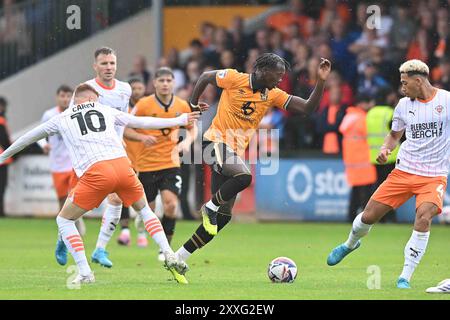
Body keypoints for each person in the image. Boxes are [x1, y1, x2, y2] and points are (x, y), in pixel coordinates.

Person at [0, 84, 200, 285]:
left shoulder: (61, 118)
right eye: (96, 99)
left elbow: (26, 138)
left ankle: (85, 272)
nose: (97, 103)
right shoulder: (105, 110)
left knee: (64, 221)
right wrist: (180, 119)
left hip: (96, 171)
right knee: (145, 210)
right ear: (87, 99)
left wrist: (3, 157)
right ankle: (168, 253)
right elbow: (140, 121)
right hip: (123, 167)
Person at [174, 53, 331, 280]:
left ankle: (179, 257)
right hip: (214, 142)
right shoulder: (235, 79)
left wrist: (321, 81)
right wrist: (192, 104)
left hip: (232, 152)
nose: (280, 80)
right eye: (277, 75)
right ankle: (209, 206)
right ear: (261, 70)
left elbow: (307, 108)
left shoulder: (272, 94)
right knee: (244, 177)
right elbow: (205, 77)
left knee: (225, 217)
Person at [327, 59, 450, 289]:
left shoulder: (446, 101)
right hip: (404, 172)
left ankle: (405, 276)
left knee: (423, 218)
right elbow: (394, 135)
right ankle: (350, 244)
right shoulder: (404, 105)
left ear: (418, 80)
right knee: (368, 217)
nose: (401, 88)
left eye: (405, 83)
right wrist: (385, 149)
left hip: (434, 176)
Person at [120, 67, 198, 258]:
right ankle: (141, 224)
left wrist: (187, 142)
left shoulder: (181, 105)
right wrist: (140, 138)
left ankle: (166, 249)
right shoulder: (144, 105)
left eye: (168, 81)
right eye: (161, 81)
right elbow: (124, 128)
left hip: (171, 163)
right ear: (154, 83)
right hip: (146, 165)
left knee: (171, 205)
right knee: (150, 211)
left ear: (173, 83)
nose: (165, 84)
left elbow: (192, 128)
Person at [38, 85, 87, 265]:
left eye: (68, 96)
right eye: (62, 96)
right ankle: (67, 224)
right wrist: (43, 145)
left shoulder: (76, 112)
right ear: (57, 97)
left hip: (75, 164)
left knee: (74, 196)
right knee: (61, 199)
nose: (65, 99)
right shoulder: (49, 114)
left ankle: (76, 222)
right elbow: (41, 133)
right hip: (57, 164)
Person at [116, 78, 146, 247]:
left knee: (144, 196)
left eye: (139, 87)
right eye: (133, 88)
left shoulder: (148, 107)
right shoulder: (122, 109)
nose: (136, 91)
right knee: (122, 196)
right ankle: (125, 231)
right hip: (125, 157)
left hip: (145, 158)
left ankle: (141, 231)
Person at [339, 93, 377, 221]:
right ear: (362, 104)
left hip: (351, 161)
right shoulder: (362, 118)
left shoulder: (348, 117)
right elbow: (371, 136)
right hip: (364, 160)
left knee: (355, 192)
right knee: (365, 194)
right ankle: (366, 219)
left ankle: (351, 217)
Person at [366, 88, 400, 223]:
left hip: (375, 156)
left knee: (378, 188)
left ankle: (379, 217)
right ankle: (390, 216)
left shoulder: (369, 113)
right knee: (391, 190)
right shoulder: (390, 113)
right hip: (390, 156)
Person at [0, 97, 12, 217]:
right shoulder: (1, 121)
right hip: (2, 160)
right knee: (2, 186)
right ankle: (1, 211)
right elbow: (5, 141)